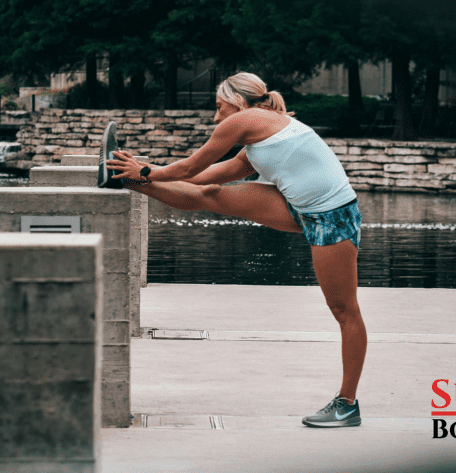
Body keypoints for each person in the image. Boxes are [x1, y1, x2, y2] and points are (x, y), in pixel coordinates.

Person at [104, 72, 367, 428]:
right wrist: (144, 173)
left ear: (236, 100)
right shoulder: (259, 134)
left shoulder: (245, 120)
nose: (216, 117)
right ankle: (128, 182)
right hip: (299, 207)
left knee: (343, 309)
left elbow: (191, 166)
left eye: (218, 107)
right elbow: (207, 177)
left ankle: (347, 404)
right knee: (211, 194)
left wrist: (151, 166)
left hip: (331, 217)